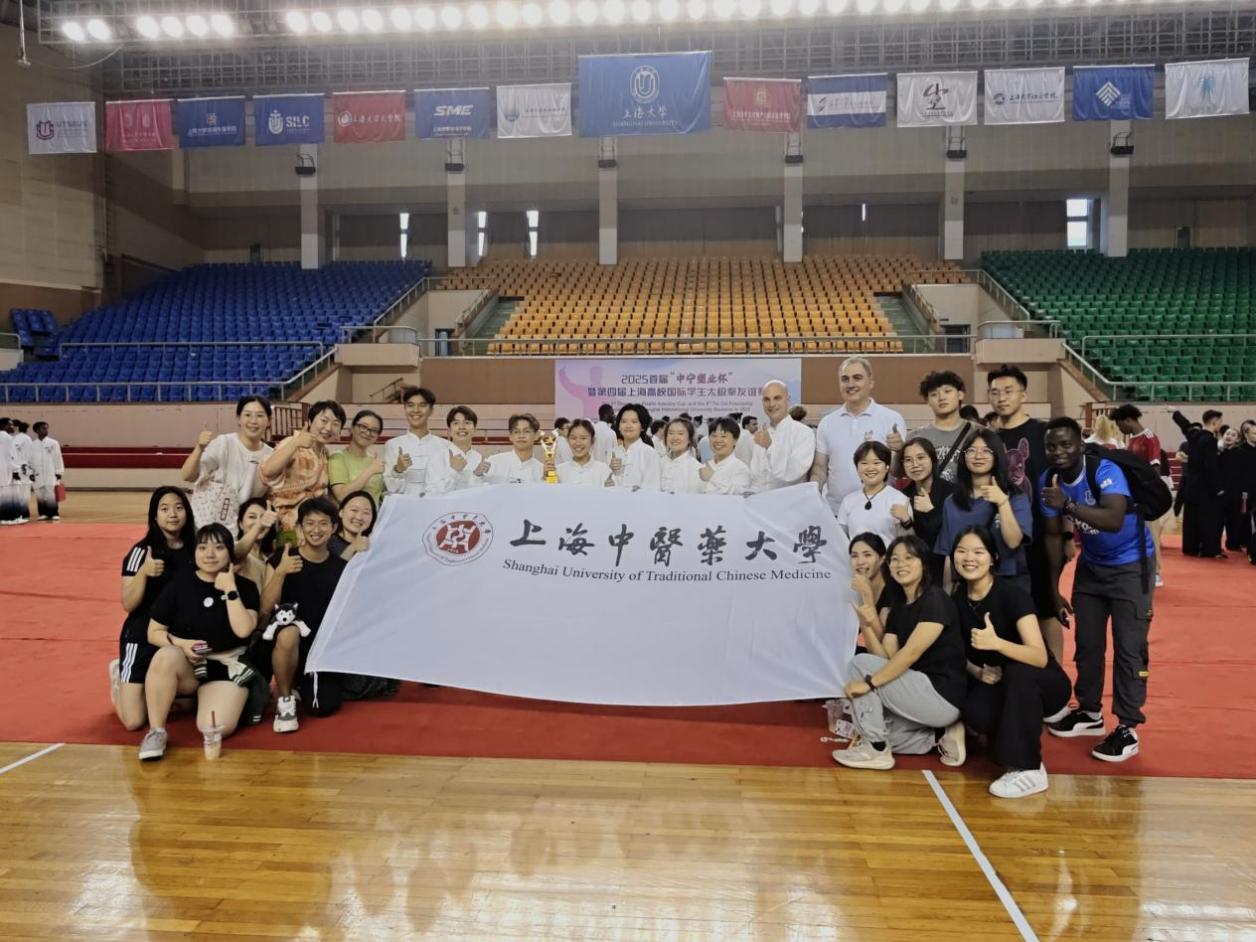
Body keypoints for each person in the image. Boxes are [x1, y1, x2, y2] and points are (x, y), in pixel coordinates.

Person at [1041, 417, 1157, 762]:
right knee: (1088, 643)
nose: (1059, 452)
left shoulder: (1105, 470)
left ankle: (1128, 727)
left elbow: (1114, 518)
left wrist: (1067, 504)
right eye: (1051, 446)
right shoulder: (1049, 480)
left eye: (1066, 444)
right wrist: (1052, 589)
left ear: (1081, 444)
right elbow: (1053, 536)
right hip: (1091, 568)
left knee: (1129, 647)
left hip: (1131, 565)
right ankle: (1090, 712)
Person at [951, 527, 1071, 798]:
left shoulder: (1012, 595)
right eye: (961, 551)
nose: (969, 558)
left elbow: (1039, 657)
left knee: (1019, 673)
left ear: (993, 558)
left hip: (1043, 681)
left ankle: (1029, 767)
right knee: (976, 712)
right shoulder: (957, 600)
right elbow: (955, 652)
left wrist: (997, 644)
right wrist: (977, 671)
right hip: (1002, 681)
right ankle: (1012, 739)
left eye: (978, 552)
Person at [831, 535, 967, 770]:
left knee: (858, 664)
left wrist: (868, 683)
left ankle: (876, 750)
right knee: (873, 726)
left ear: (923, 563)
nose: (900, 564)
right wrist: (866, 624)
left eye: (908, 558)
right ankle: (938, 736)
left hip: (941, 694)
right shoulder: (898, 608)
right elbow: (884, 659)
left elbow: (910, 653)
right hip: (918, 695)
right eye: (895, 559)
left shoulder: (935, 599)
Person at [139, 523, 261, 761]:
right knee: (165, 655)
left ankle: (200, 700)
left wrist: (230, 590)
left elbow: (244, 630)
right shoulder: (179, 585)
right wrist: (181, 644)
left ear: (230, 553)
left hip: (226, 665)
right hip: (189, 666)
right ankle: (156, 731)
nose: (210, 554)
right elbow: (153, 632)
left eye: (219, 548)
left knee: (215, 726)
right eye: (202, 547)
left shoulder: (245, 587)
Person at [988, 364, 1064, 665]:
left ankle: (1056, 673)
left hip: (1041, 538)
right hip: (1002, 540)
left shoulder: (1044, 433)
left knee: (1046, 609)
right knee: (1007, 611)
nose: (1001, 398)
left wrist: (1066, 534)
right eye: (995, 392)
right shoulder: (989, 439)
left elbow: (1062, 483)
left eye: (1008, 391)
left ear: (1024, 395)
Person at [110, 487, 198, 732]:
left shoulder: (196, 549)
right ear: (155, 516)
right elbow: (128, 603)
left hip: (178, 637)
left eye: (179, 507)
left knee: (189, 704)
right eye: (165, 509)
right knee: (134, 721)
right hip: (141, 636)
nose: (173, 514)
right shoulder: (141, 552)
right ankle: (119, 678)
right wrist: (143, 573)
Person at [258, 497, 348, 732]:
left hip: (318, 649)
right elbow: (265, 608)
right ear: (299, 527)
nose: (316, 530)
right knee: (289, 633)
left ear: (333, 528)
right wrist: (281, 573)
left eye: (323, 523)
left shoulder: (341, 568)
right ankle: (285, 698)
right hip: (282, 642)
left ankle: (300, 684)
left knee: (323, 707)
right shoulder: (282, 558)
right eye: (310, 523)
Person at [934, 429, 1033, 594]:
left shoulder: (1015, 497)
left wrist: (1002, 503)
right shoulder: (951, 502)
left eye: (986, 451)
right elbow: (948, 554)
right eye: (971, 450)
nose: (978, 456)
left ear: (997, 456)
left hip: (1008, 583)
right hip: (967, 585)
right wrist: (947, 594)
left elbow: (1013, 542)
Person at [812, 357, 905, 513]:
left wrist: (900, 451)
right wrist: (813, 492)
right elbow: (820, 468)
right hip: (835, 511)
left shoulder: (892, 419)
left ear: (871, 382)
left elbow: (897, 472)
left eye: (857, 378)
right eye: (845, 379)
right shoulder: (827, 423)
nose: (850, 384)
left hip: (879, 512)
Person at [183, 396, 274, 530]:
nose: (253, 421)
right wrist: (199, 448)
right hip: (208, 525)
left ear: (269, 420)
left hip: (243, 528)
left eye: (260, 415)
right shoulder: (224, 443)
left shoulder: (271, 455)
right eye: (247, 415)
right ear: (238, 419)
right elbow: (188, 476)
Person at [261, 400, 343, 531]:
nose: (328, 428)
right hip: (282, 525)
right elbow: (268, 471)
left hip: (311, 526)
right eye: (324, 420)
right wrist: (296, 443)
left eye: (336, 424)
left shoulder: (325, 453)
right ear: (310, 421)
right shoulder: (292, 442)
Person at [1111, 404, 1167, 586]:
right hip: (1135, 495)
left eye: (1119, 424)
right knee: (1138, 535)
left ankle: (1156, 572)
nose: (1119, 428)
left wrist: (1149, 494)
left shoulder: (1149, 438)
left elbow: (1155, 469)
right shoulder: (1132, 440)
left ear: (1128, 420)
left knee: (1152, 535)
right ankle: (1140, 569)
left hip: (1148, 496)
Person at [897, 437, 955, 584]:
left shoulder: (951, 492)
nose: (915, 464)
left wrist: (931, 512)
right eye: (908, 460)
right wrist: (907, 522)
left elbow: (952, 536)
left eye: (921, 457)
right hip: (912, 571)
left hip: (945, 570)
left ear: (932, 459)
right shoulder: (902, 496)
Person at [1172, 408, 1224, 558]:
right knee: (1207, 519)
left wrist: (1175, 413)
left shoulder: (1194, 434)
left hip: (1191, 483)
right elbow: (1210, 467)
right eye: (1220, 421)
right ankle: (1207, 549)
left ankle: (1190, 548)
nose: (1221, 424)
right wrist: (1218, 488)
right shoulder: (1210, 441)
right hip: (1205, 487)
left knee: (1191, 518)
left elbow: (1185, 425)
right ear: (1214, 422)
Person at [384, 386, 453, 498]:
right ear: (405, 409)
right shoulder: (392, 445)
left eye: (422, 405)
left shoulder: (445, 446)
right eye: (410, 405)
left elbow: (449, 485)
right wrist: (398, 470)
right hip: (405, 506)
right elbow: (391, 488)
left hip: (435, 505)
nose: (415, 410)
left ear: (431, 411)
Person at [837, 441, 910, 547]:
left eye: (876, 463)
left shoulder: (899, 499)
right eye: (864, 463)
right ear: (857, 468)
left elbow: (908, 544)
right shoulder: (848, 501)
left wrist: (906, 520)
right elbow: (840, 541)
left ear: (887, 467)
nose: (870, 468)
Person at [749, 381, 815, 493]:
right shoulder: (762, 434)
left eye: (777, 398)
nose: (771, 404)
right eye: (767, 399)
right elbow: (756, 477)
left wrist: (770, 446)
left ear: (788, 400)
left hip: (790, 501)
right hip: (760, 501)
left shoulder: (803, 432)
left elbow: (793, 473)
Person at [913, 371, 976, 484]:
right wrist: (897, 451)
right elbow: (897, 473)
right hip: (929, 495)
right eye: (934, 394)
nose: (941, 397)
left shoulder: (979, 432)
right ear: (927, 401)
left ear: (960, 394)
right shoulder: (916, 436)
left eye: (947, 391)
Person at [848, 532, 901, 651]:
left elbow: (881, 640)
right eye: (854, 556)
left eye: (867, 555)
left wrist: (867, 597)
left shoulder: (893, 591)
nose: (860, 562)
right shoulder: (853, 588)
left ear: (882, 559)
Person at [328, 409, 385, 505]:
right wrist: (371, 470)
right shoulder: (337, 457)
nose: (368, 433)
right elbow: (341, 496)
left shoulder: (375, 461)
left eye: (374, 430)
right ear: (352, 428)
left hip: (374, 514)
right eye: (363, 427)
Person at [437, 405, 491, 492]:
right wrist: (453, 471)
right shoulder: (438, 458)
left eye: (467, 423)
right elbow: (433, 494)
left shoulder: (480, 459)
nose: (462, 427)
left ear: (474, 429)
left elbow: (483, 494)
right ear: (449, 430)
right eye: (456, 423)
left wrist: (477, 476)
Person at [610, 403, 661, 491]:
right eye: (623, 421)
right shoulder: (612, 452)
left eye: (634, 422)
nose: (628, 425)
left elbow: (652, 489)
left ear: (642, 427)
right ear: (619, 426)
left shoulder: (649, 453)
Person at [486, 413, 546, 483]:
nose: (521, 436)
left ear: (536, 435)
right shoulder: (494, 462)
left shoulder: (541, 470)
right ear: (510, 436)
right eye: (516, 432)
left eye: (527, 431)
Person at [700, 417, 752, 495]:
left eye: (723, 436)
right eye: (714, 435)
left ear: (735, 440)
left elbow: (737, 492)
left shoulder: (741, 469)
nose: (718, 440)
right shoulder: (704, 466)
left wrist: (713, 477)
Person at [234, 498, 277, 590]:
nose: (259, 521)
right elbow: (237, 554)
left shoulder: (268, 560)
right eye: (252, 517)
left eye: (264, 517)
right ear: (240, 524)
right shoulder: (233, 547)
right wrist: (259, 526)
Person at [1218, 425, 1249, 552]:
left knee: (1234, 519)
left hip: (1235, 491)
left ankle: (1233, 543)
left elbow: (1244, 474)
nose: (1229, 436)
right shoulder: (1219, 452)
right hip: (1220, 491)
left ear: (1238, 439)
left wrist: (1244, 492)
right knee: (1219, 520)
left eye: (1233, 435)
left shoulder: (1241, 453)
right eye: (1227, 434)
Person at [555, 419, 613, 486]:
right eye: (573, 438)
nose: (578, 443)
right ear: (567, 440)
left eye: (583, 438)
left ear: (592, 440)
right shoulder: (558, 471)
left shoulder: (604, 470)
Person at [658, 418, 705, 494]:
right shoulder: (658, 463)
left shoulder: (697, 469)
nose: (675, 438)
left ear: (689, 439)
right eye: (671, 433)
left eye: (680, 433)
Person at [30, 421, 64, 521]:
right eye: (43, 428)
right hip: (37, 473)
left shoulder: (53, 443)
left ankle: (54, 513)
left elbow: (58, 457)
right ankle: (43, 513)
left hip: (50, 472)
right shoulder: (32, 444)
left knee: (50, 494)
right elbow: (29, 460)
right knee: (40, 494)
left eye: (46, 428)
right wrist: (30, 473)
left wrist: (59, 471)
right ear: (37, 430)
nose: (46, 430)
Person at [329, 490, 377, 561]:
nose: (359, 517)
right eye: (354, 510)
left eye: (366, 513)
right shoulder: (327, 542)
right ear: (341, 512)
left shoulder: (374, 543)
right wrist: (352, 548)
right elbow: (331, 568)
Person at [0, 417, 21, 526]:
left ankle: (7, 518)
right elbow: (11, 456)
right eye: (10, 425)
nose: (13, 427)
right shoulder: (7, 438)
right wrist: (16, 470)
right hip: (5, 470)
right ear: (3, 426)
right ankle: (6, 518)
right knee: (6, 497)